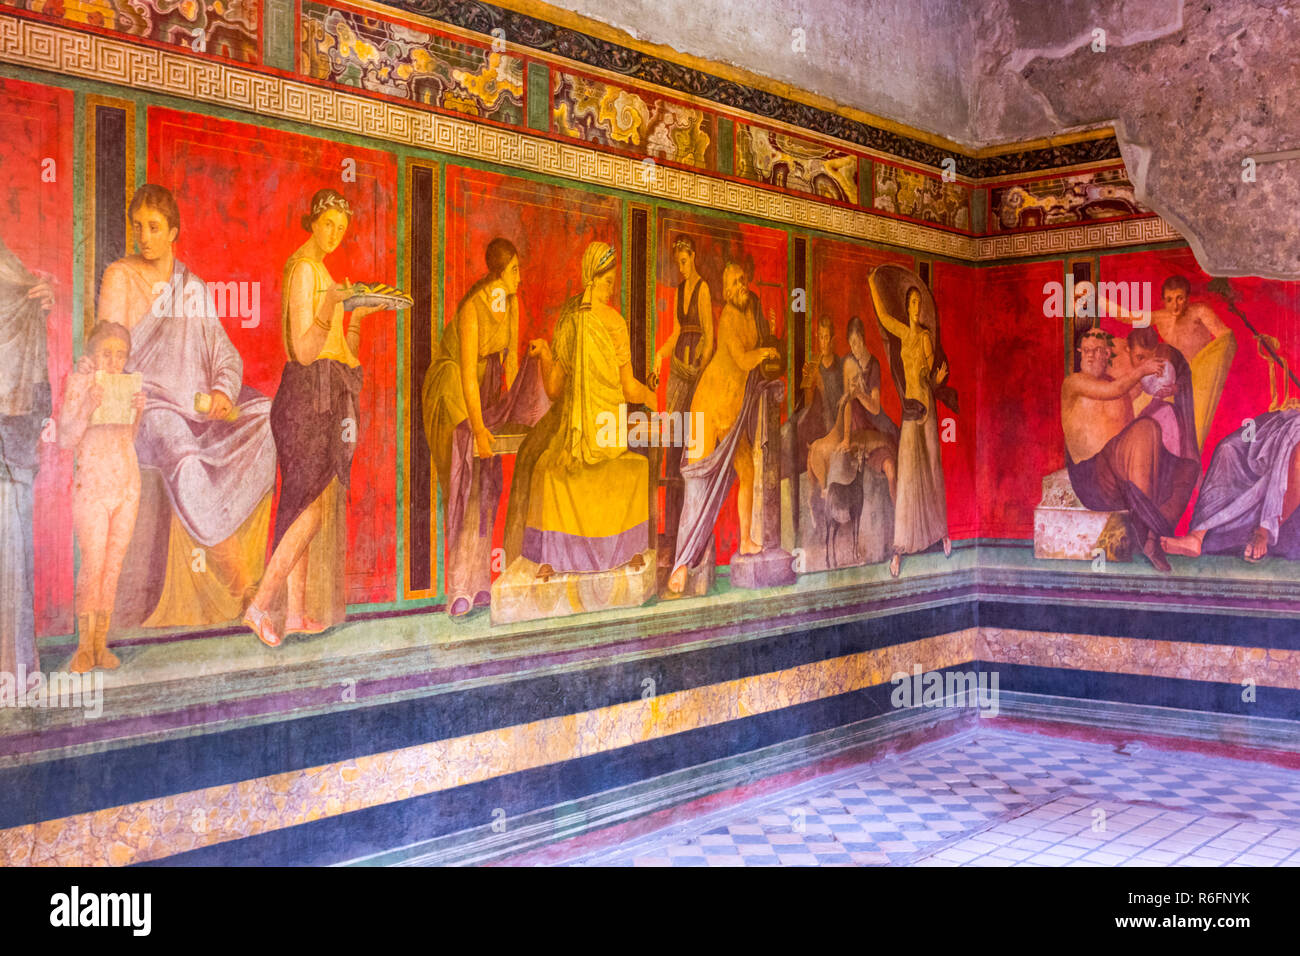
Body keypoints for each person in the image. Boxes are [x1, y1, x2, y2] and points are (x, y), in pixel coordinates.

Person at [95, 184, 277, 627]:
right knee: (189, 460)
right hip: (150, 411)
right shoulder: (120, 275)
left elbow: (224, 352)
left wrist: (222, 392)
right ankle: (246, 591)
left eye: (154, 228)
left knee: (269, 417)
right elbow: (106, 353)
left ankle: (246, 585)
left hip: (199, 409)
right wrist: (115, 432)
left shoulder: (191, 286)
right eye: (138, 227)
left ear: (173, 232)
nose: (144, 237)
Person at [242, 189, 386, 646]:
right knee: (306, 511)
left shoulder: (325, 273)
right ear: (313, 220)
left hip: (326, 395)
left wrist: (358, 314)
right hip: (305, 397)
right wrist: (331, 305)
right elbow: (304, 352)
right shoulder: (305, 271)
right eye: (328, 224)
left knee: (310, 506)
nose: (334, 235)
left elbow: (344, 357)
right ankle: (261, 605)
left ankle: (296, 612)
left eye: (342, 230)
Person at [508, 241, 657, 578]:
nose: (611, 288)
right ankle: (626, 552)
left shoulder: (570, 320)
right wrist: (655, 399)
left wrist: (547, 354)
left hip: (580, 436)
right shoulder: (612, 323)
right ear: (592, 278)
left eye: (613, 281)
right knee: (636, 467)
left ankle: (553, 560)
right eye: (607, 282)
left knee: (547, 467)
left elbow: (554, 389)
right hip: (606, 436)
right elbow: (630, 387)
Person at [421, 237, 547, 617]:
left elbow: (506, 366)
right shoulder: (472, 308)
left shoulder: (511, 303)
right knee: (464, 485)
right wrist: (477, 427)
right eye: (514, 271)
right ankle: (458, 586)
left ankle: (479, 584)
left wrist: (505, 414)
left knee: (488, 486)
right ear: (498, 273)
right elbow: (467, 377)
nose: (519, 278)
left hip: (487, 397)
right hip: (453, 394)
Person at [666, 258, 781, 593]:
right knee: (697, 486)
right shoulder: (729, 317)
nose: (740, 287)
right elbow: (745, 359)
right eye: (733, 284)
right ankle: (681, 565)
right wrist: (765, 351)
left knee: (747, 470)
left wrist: (769, 342)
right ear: (726, 292)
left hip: (731, 414)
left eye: (742, 280)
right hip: (708, 407)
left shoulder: (751, 313)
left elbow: (761, 352)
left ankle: (745, 540)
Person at [1060, 327, 1199, 572]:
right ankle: (1151, 528)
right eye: (1087, 351)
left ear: (1107, 355)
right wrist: (1141, 370)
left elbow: (1144, 388)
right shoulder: (1074, 383)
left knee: (1177, 444)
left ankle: (1152, 537)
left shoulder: (1120, 385)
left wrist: (1170, 389)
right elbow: (1115, 390)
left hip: (1121, 480)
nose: (1092, 356)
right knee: (1146, 429)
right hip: (1093, 479)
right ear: (1080, 352)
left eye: (1099, 351)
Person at [58, 321, 147, 671]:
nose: (114, 361)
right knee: (92, 565)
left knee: (113, 567)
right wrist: (85, 407)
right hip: (93, 485)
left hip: (127, 481)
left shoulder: (127, 386)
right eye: (107, 354)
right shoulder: (80, 383)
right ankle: (83, 647)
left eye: (120, 355)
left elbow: (131, 437)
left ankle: (100, 644)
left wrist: (139, 411)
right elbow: (66, 439)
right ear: (93, 354)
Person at [869, 267, 957, 577]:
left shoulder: (924, 337)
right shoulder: (903, 334)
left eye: (919, 303)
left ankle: (942, 533)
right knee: (907, 475)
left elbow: (932, 375)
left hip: (928, 410)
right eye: (912, 303)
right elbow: (882, 316)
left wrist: (937, 379)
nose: (916, 308)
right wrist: (871, 283)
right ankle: (900, 549)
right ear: (906, 307)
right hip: (911, 409)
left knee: (932, 469)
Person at [0, 239, 53, 679]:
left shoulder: (9, 262)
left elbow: (22, 300)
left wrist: (39, 306)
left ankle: (15, 669)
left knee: (12, 546)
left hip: (11, 433)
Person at [1103, 274, 1236, 449]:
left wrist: (1206, 367)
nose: (1175, 304)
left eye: (1180, 298)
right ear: (1164, 300)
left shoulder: (1200, 312)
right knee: (1136, 415)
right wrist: (1096, 300)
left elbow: (1226, 339)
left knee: (1191, 433)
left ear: (1187, 297)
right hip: (1169, 377)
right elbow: (1128, 317)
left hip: (1197, 380)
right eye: (1170, 299)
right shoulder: (1161, 317)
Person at [652, 235, 713, 555]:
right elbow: (676, 332)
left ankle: (692, 531)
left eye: (685, 260)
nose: (682, 266)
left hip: (696, 372)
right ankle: (672, 528)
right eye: (678, 262)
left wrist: (699, 370)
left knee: (693, 444)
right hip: (678, 368)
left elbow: (709, 337)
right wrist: (660, 354)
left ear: (694, 256)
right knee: (673, 442)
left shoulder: (702, 289)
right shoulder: (679, 290)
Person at [808, 316, 898, 512]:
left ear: (863, 339)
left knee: (891, 470)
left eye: (857, 342)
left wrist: (859, 394)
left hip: (876, 430)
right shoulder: (848, 361)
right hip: (857, 432)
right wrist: (847, 438)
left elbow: (875, 407)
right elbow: (847, 401)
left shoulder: (873, 364)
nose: (855, 347)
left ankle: (898, 522)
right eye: (851, 343)